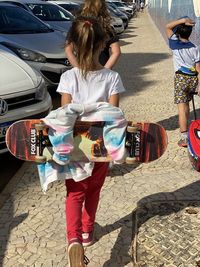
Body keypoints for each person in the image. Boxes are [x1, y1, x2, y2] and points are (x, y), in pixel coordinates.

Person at [57, 16, 126, 266]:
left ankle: (73, 240)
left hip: (76, 146)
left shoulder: (68, 78)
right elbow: (114, 118)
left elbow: (66, 115)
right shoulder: (112, 78)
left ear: (74, 46)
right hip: (101, 147)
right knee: (94, 190)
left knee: (75, 194)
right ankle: (87, 233)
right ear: (102, 45)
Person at [165, 17, 200, 147]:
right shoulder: (195, 47)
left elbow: (168, 26)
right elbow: (198, 69)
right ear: (190, 32)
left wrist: (183, 20)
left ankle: (184, 138)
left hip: (181, 79)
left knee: (182, 108)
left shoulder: (174, 44)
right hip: (193, 79)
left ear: (178, 33)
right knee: (188, 106)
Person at [65, 0, 121, 69]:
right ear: (103, 9)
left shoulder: (78, 27)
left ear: (85, 7)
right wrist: (106, 69)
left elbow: (68, 50)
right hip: (101, 66)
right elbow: (116, 51)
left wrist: (78, 69)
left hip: (83, 67)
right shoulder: (106, 28)